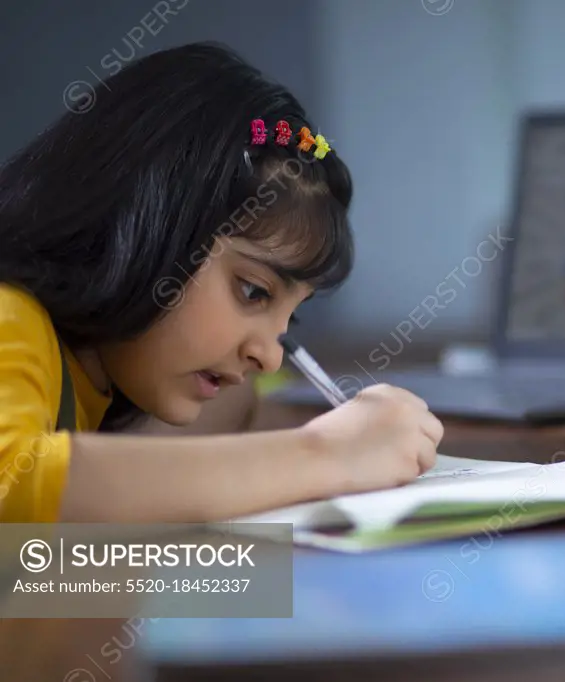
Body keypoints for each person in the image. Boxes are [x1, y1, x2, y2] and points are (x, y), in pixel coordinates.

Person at [0, 43, 443, 524]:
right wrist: (327, 453)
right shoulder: (11, 313)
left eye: (289, 318)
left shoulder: (95, 374)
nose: (270, 355)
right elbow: (15, 485)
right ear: (148, 219)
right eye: (253, 290)